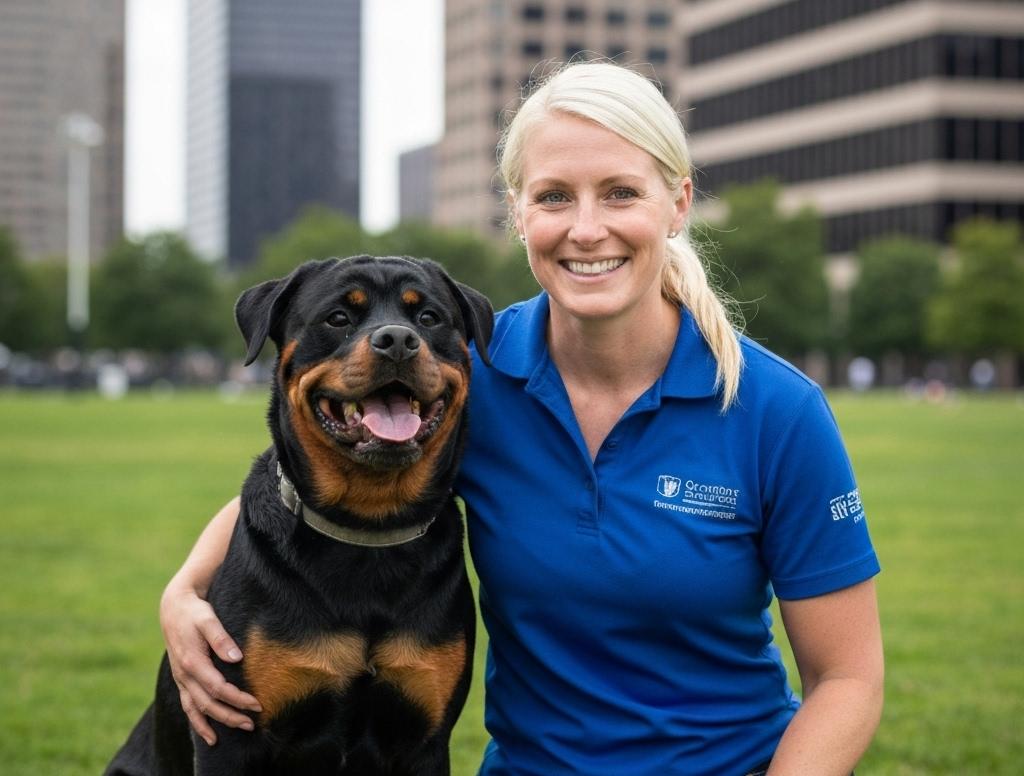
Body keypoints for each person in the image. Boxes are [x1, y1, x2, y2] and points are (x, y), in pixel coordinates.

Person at [159, 61, 883, 775]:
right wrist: (185, 590)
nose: (588, 228)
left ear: (679, 203)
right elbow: (305, 481)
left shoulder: (777, 409)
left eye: (622, 193)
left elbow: (847, 680)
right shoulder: (469, 372)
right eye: (556, 197)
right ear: (518, 213)